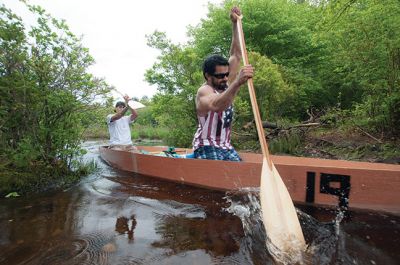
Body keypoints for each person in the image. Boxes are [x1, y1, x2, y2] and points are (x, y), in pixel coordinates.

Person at [192, 7, 254, 161]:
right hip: (205, 145)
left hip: (226, 146)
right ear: (208, 76)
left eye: (227, 74)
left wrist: (235, 24)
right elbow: (217, 105)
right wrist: (237, 82)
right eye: (220, 76)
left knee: (242, 177)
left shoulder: (225, 83)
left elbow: (236, 55)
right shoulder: (203, 92)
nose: (225, 78)